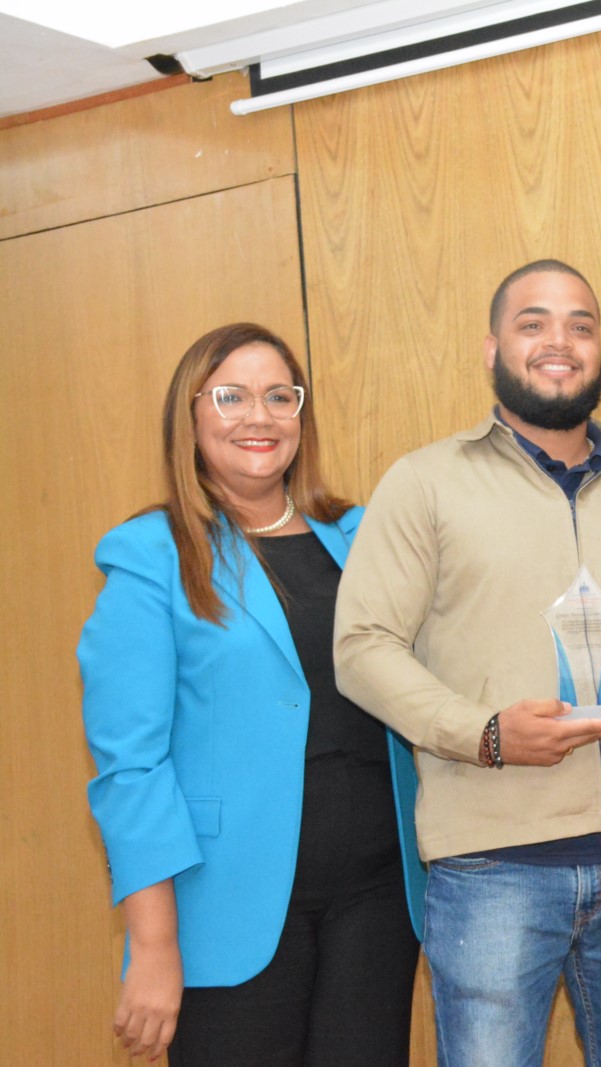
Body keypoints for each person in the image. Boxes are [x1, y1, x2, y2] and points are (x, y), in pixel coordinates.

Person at [333, 259, 601, 1066]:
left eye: (580, 325)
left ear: (598, 350)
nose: (559, 341)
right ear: (491, 348)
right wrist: (483, 732)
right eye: (533, 323)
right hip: (490, 866)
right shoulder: (425, 484)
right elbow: (361, 646)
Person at [78, 323, 426, 1066]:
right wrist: (154, 942)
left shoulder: (358, 535)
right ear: (191, 414)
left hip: (377, 899)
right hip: (224, 905)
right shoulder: (150, 553)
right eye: (231, 396)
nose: (259, 417)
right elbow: (128, 766)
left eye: (280, 396)